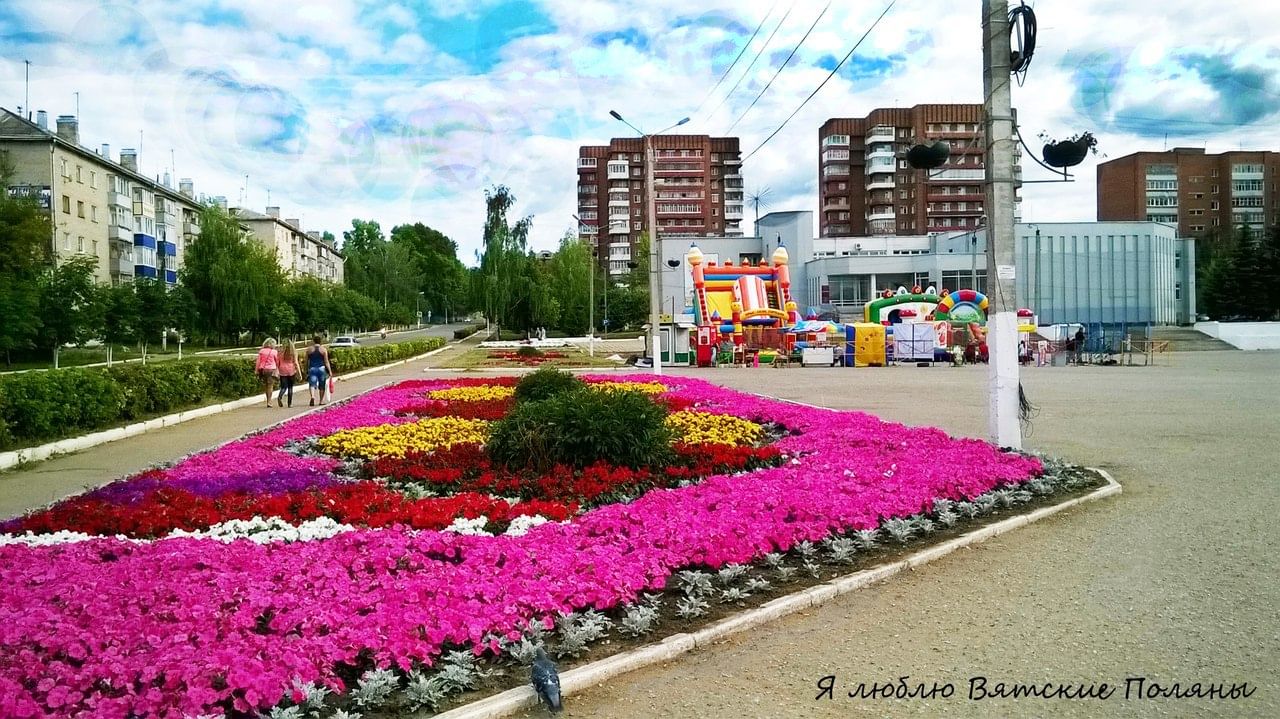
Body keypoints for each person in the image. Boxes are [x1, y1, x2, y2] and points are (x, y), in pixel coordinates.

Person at [306, 335, 335, 406]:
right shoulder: (323, 350)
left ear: (313, 341)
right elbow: (326, 361)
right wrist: (330, 371)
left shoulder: (309, 350)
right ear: (320, 341)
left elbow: (306, 361)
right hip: (321, 369)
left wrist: (306, 369)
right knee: (322, 385)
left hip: (312, 368)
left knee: (312, 384)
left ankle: (312, 396)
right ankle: (321, 401)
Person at [276, 341, 301, 408]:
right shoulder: (294, 353)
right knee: (290, 387)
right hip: (291, 370)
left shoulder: (280, 352)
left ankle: (280, 396)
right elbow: (296, 363)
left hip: (282, 370)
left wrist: (277, 370)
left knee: (283, 387)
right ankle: (289, 404)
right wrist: (299, 373)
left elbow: (277, 363)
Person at [255, 339, 279, 408]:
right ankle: (269, 401)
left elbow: (258, 362)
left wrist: (256, 370)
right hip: (271, 369)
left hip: (263, 370)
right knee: (270, 386)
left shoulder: (261, 351)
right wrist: (278, 370)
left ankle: (267, 399)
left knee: (266, 385)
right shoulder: (274, 352)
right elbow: (277, 362)